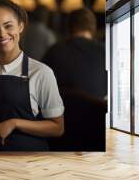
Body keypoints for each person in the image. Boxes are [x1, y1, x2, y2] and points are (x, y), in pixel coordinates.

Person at [0, 0, 65, 151]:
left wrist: (14, 123)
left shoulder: (41, 72)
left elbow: (57, 128)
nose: (2, 34)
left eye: (8, 26)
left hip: (29, 163)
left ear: (21, 26)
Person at [43, 8, 106, 151]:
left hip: (61, 133)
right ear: (93, 28)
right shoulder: (106, 52)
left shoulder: (54, 52)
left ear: (69, 27)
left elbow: (40, 93)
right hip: (96, 131)